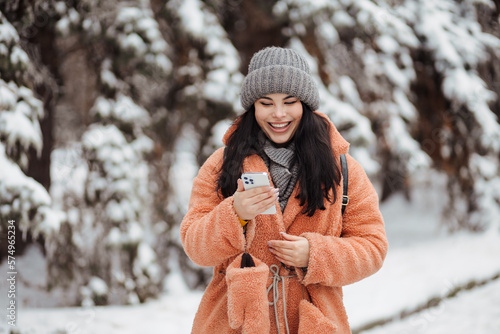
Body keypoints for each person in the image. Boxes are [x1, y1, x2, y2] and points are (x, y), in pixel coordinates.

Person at [181, 46, 388, 334]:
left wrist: (314, 255)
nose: (278, 114)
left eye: (289, 101)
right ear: (253, 107)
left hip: (313, 322)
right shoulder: (222, 164)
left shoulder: (341, 168)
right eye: (266, 103)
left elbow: (373, 247)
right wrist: (235, 214)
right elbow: (195, 246)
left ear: (304, 103)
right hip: (235, 324)